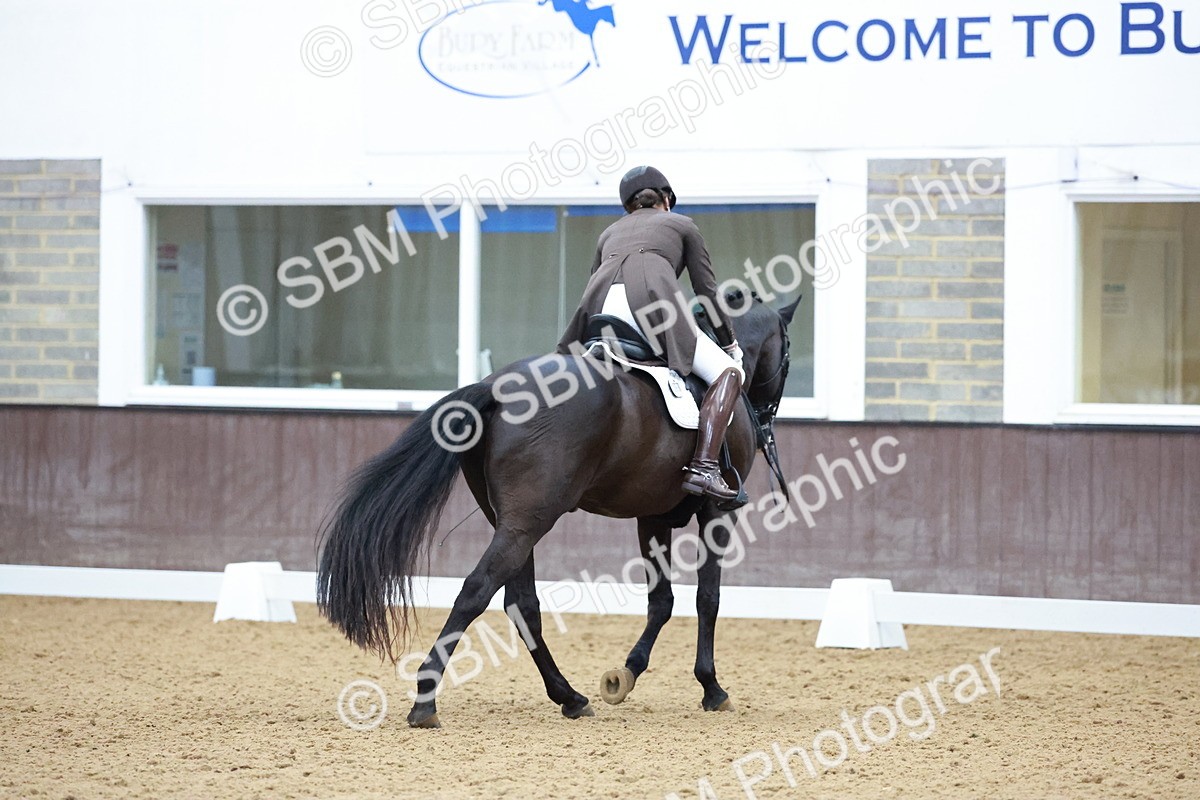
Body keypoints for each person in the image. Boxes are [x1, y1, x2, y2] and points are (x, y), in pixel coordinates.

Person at [556, 165, 745, 502]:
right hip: (651, 308)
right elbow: (707, 293)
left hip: (600, 309)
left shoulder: (608, 233)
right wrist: (729, 342)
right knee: (729, 373)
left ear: (628, 206)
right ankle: (705, 467)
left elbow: (593, 275)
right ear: (667, 200)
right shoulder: (683, 224)